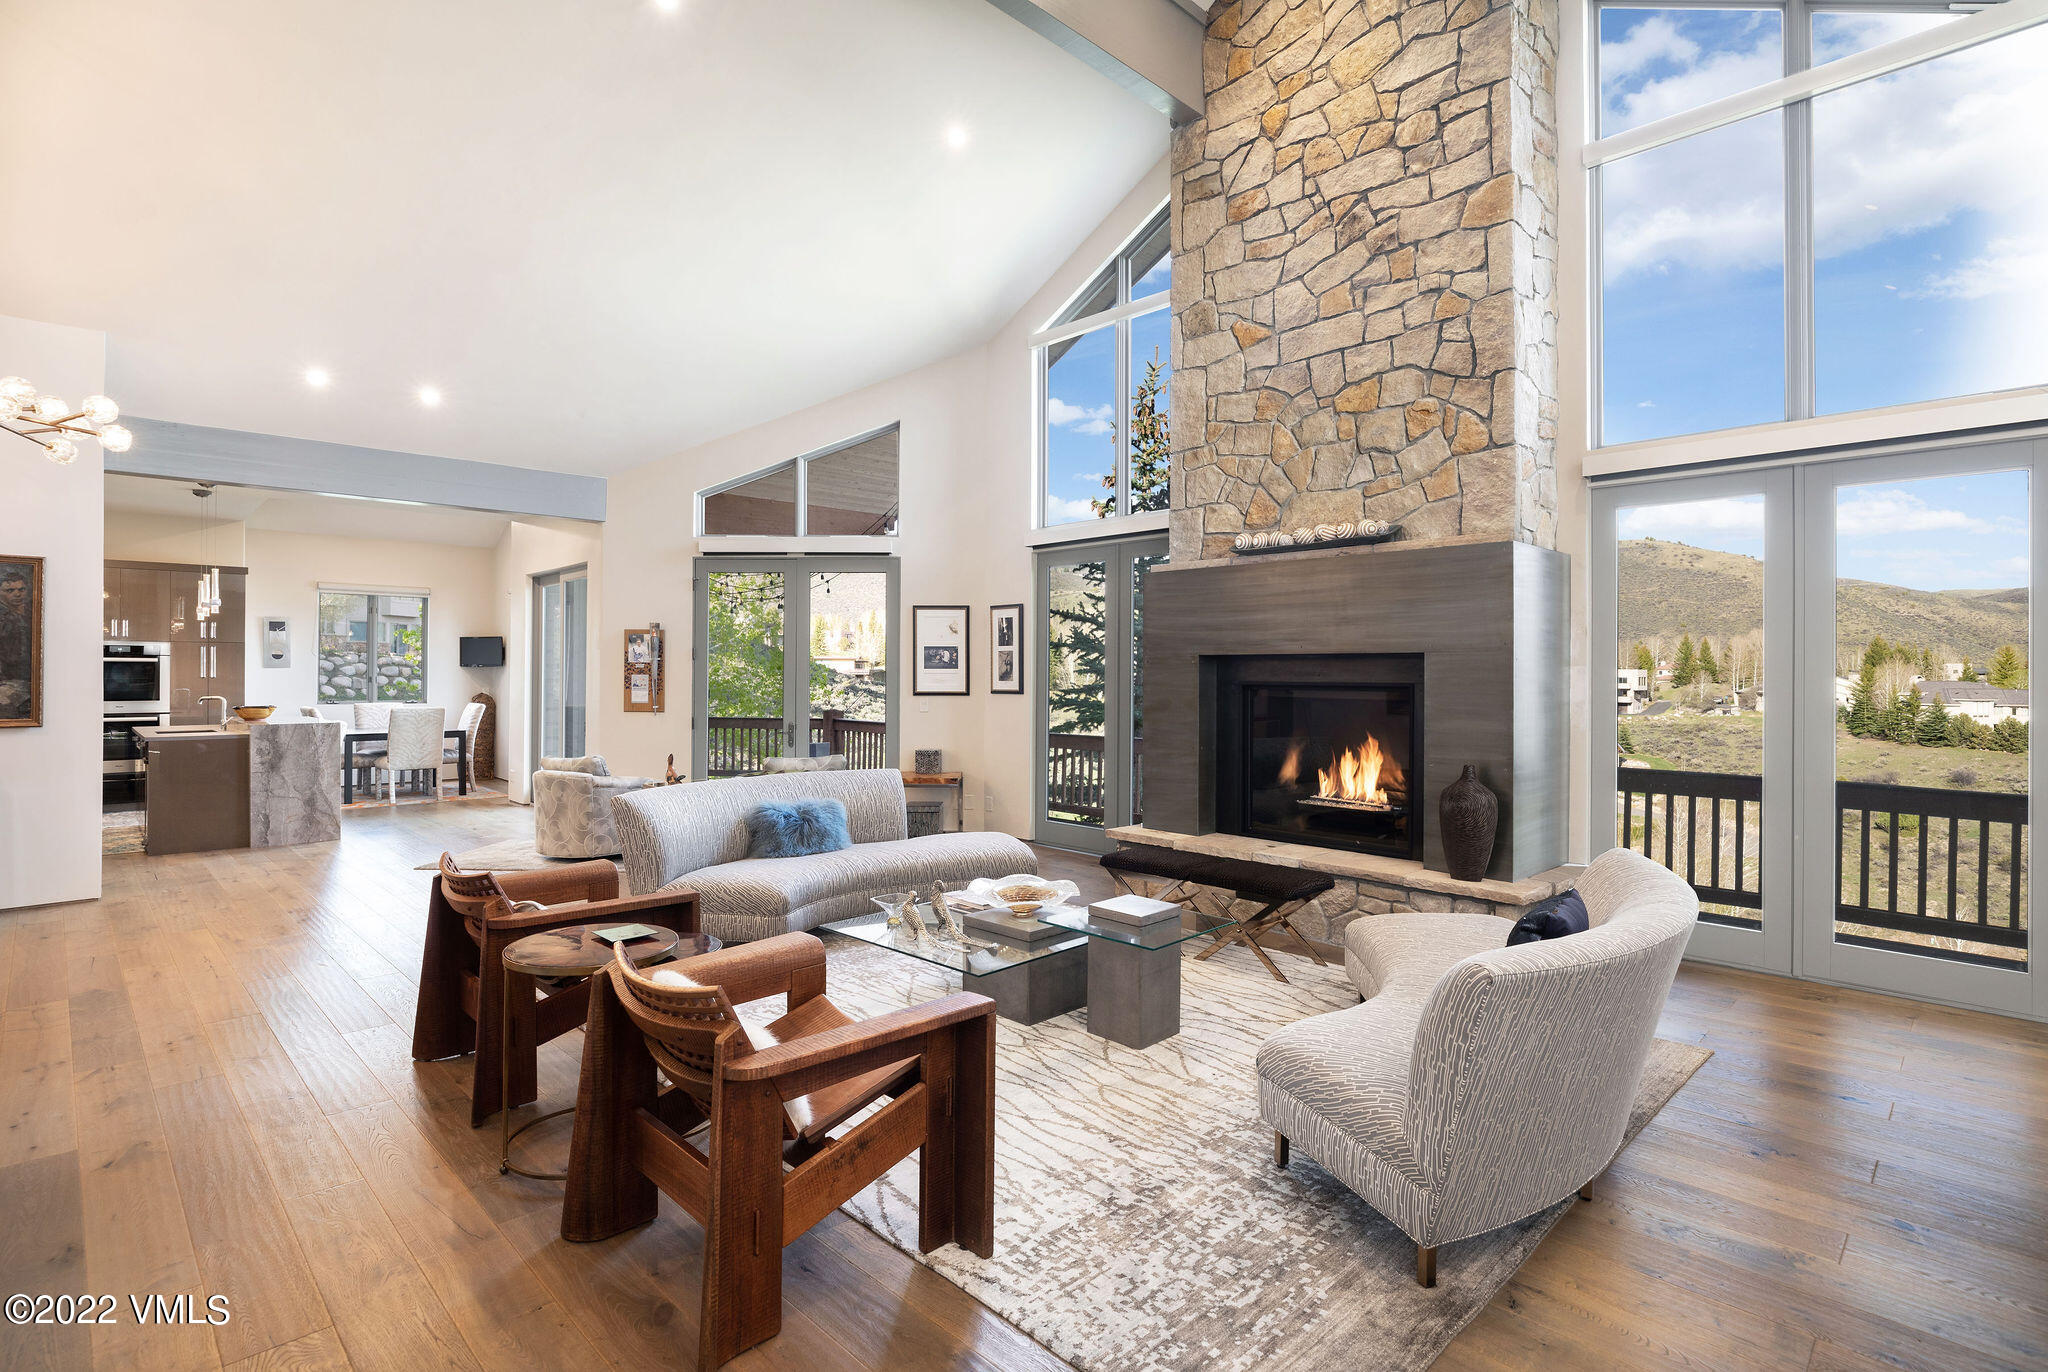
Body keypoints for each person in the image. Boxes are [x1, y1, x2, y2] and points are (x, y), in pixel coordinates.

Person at [0, 566, 32, 719]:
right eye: (10, 590)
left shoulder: (31, 612)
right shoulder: (3, 617)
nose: (17, 594)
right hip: (7, 683)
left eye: (21, 589)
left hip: (29, 679)